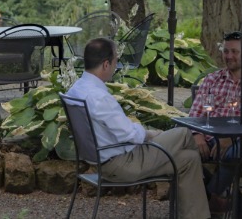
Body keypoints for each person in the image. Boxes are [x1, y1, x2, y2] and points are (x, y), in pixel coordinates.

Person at [66, 38, 210, 219]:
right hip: (123, 164)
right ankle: (217, 185)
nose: (116, 65)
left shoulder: (76, 90)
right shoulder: (98, 97)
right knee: (185, 133)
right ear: (105, 64)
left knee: (188, 159)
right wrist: (151, 134)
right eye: (116, 61)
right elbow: (130, 134)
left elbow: (120, 129)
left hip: (102, 160)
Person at [189, 31, 242, 208]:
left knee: (240, 153)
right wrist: (197, 134)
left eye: (234, 52)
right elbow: (196, 114)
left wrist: (231, 137)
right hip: (209, 140)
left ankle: (212, 196)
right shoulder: (212, 79)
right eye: (226, 51)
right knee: (182, 152)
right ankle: (205, 199)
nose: (229, 56)